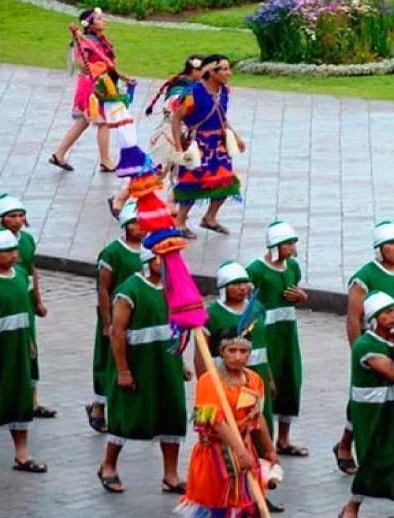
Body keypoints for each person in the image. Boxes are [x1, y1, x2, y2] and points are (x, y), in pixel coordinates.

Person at [99, 246, 188, 493]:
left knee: (172, 413)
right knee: (127, 415)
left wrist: (181, 364)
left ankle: (171, 475)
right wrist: (123, 370)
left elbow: (177, 329)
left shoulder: (172, 289)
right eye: (163, 260)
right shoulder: (130, 290)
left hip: (166, 363)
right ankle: (108, 466)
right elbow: (118, 332)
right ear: (149, 261)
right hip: (139, 363)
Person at [337, 220, 394, 474]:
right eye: (391, 244)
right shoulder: (364, 277)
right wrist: (357, 350)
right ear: (379, 249)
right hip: (378, 342)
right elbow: (353, 317)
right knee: (364, 396)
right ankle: (345, 444)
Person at [176, 329, 278, 517]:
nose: (238, 357)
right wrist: (240, 453)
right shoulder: (210, 381)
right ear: (222, 352)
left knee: (247, 504)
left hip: (245, 449)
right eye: (232, 351)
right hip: (215, 455)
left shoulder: (254, 380)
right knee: (218, 508)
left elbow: (258, 416)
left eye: (243, 351)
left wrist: (269, 449)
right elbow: (217, 422)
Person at [341, 291, 394, 518]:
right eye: (387, 313)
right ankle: (352, 506)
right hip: (374, 413)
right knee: (375, 460)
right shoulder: (366, 345)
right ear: (374, 318)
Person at [107, 54, 204, 218]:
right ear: (194, 70)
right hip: (168, 132)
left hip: (185, 133)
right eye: (202, 71)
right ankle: (120, 198)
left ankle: (172, 203)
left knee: (183, 170)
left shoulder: (194, 85)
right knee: (155, 172)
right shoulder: (181, 85)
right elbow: (173, 108)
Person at [246, 221, 308, 457]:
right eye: (288, 244)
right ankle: (263, 441)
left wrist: (302, 297)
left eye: (293, 243)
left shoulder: (292, 267)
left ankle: (284, 438)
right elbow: (246, 302)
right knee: (264, 383)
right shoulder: (255, 270)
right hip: (266, 334)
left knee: (289, 378)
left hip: (287, 332)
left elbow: (297, 292)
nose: (292, 248)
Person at [170, 53, 244, 239]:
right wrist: (179, 146)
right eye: (225, 69)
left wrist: (235, 135)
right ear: (212, 72)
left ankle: (210, 218)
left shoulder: (225, 91)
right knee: (192, 184)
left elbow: (221, 117)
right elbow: (177, 117)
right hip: (198, 145)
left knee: (226, 182)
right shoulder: (193, 92)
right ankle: (180, 222)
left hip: (219, 146)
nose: (229, 73)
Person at [50, 8, 130, 172]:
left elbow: (107, 64)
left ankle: (59, 154)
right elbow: (81, 60)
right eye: (99, 19)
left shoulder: (97, 40)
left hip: (99, 82)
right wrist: (96, 72)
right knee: (103, 122)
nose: (104, 20)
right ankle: (105, 160)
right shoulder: (85, 40)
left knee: (84, 121)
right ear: (91, 24)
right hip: (92, 85)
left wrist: (122, 77)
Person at [88, 201, 143, 433]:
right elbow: (103, 288)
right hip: (115, 315)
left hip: (138, 316)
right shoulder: (113, 252)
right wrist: (107, 321)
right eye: (138, 223)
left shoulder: (151, 251)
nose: (143, 227)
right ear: (127, 225)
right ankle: (99, 408)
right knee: (106, 361)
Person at [0, 194, 54, 418]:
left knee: (30, 348)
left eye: (21, 215)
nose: (18, 220)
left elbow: (32, 270)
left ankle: (32, 401)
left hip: (24, 299)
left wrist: (37, 301)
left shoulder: (27, 240)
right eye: (12, 216)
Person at [197, 261, 272, 430]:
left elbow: (263, 348)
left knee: (259, 420)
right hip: (226, 378)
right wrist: (205, 384)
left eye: (244, 282)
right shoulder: (211, 314)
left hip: (257, 377)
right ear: (224, 287)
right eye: (236, 284)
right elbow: (201, 354)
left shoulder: (257, 308)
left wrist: (270, 378)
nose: (242, 287)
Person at [0, 228, 47, 474]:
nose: (13, 255)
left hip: (18, 346)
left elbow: (25, 312)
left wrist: (29, 341)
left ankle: (22, 453)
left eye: (14, 250)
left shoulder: (19, 275)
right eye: (5, 251)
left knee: (19, 394)